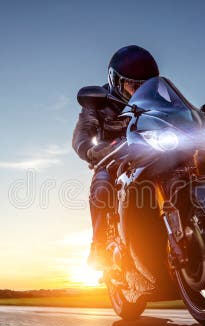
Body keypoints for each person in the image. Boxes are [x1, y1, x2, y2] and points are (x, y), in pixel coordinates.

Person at [71, 45, 159, 269]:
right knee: (102, 184)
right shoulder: (97, 101)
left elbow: (176, 115)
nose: (138, 92)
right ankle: (99, 245)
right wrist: (91, 151)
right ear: (116, 82)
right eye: (133, 85)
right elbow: (81, 136)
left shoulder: (158, 100)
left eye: (145, 86)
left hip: (151, 154)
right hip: (113, 159)